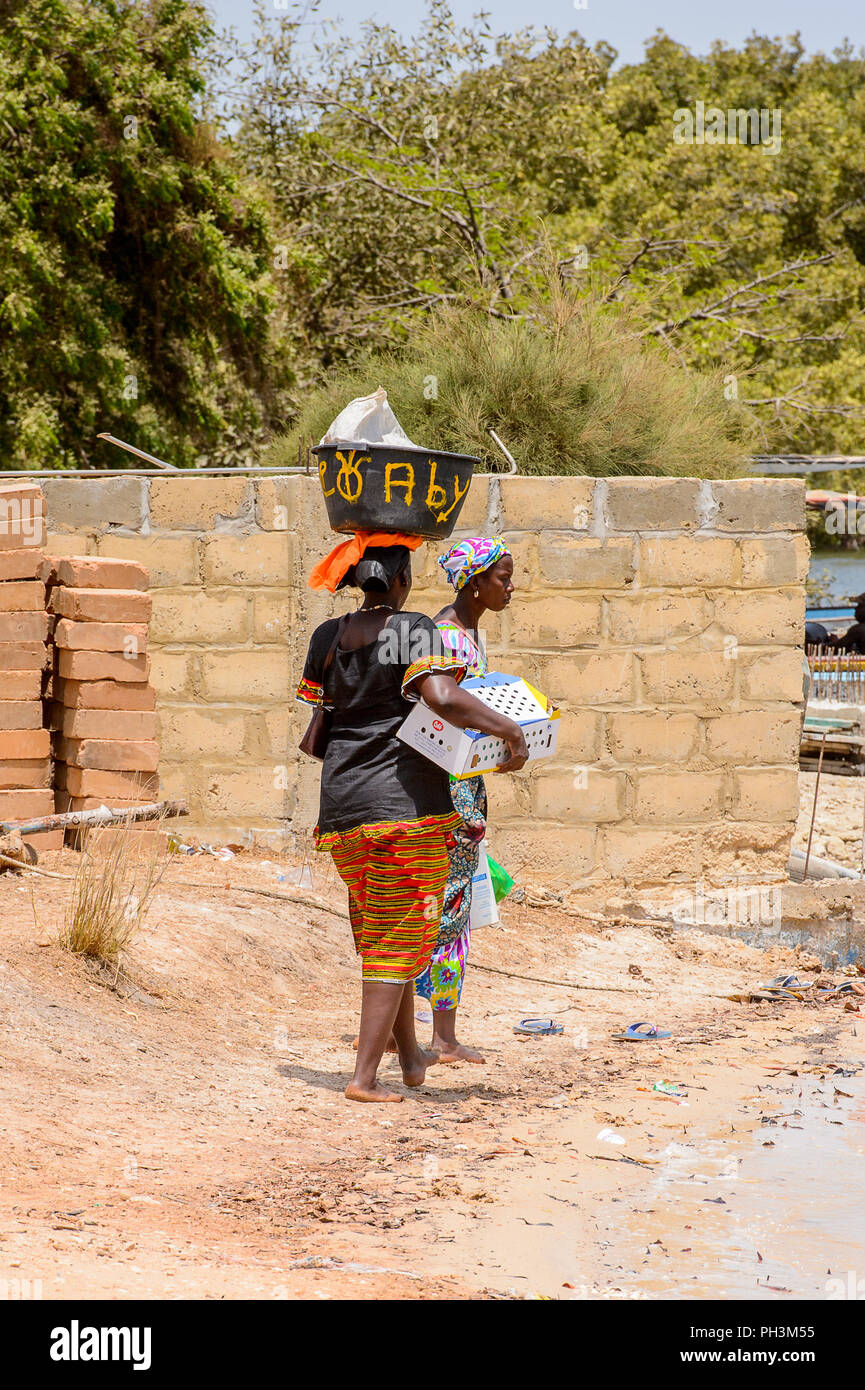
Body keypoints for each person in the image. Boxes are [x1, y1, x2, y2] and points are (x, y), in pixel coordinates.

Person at [297, 542, 528, 1103]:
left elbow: (320, 716)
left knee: (386, 933)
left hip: (342, 809)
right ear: (401, 580)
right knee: (397, 936)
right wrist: (509, 729)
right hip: (402, 805)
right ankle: (363, 1077)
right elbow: (442, 695)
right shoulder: (413, 627)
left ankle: (413, 1061)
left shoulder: (327, 636)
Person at [413, 535, 514, 1064]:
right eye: (503, 578)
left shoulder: (461, 634)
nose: (511, 587)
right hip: (454, 795)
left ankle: (412, 1031)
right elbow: (444, 709)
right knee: (450, 910)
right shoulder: (449, 638)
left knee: (445, 909)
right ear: (475, 583)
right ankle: (441, 1037)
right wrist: (511, 733)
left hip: (460, 786)